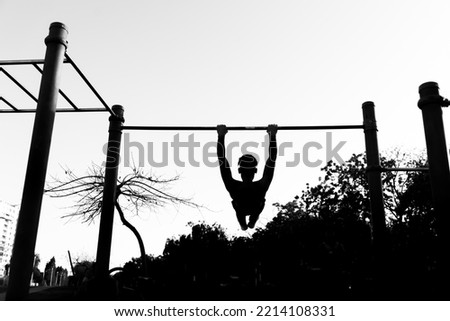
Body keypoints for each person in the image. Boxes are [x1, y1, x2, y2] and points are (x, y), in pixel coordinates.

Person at [217, 124, 278, 230]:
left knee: (255, 204)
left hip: (249, 207)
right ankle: (246, 223)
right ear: (255, 171)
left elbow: (222, 159)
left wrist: (221, 135)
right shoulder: (261, 185)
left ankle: (247, 222)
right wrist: (272, 135)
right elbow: (271, 159)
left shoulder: (233, 185)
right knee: (252, 205)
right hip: (246, 207)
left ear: (240, 171)